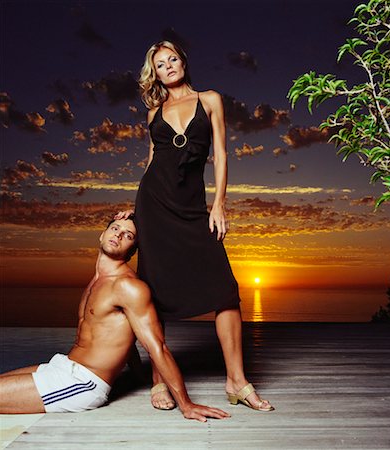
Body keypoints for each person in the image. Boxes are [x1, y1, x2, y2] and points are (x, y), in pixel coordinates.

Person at [115, 40, 274, 412]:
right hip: (153, 206)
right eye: (160, 64)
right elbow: (151, 163)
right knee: (153, 291)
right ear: (154, 74)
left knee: (225, 291)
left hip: (193, 209)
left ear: (183, 62)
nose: (168, 66)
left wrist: (219, 203)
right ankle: (159, 381)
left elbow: (220, 153)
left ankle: (237, 381)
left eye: (172, 59)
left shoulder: (210, 100)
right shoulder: (154, 111)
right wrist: (136, 213)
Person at [0, 216, 230, 422]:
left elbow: (157, 347)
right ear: (102, 234)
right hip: (63, 366)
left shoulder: (128, 287)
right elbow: (120, 337)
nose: (118, 234)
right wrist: (138, 376)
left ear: (132, 251)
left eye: (128, 235)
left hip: (82, 384)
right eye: (115, 228)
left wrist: (186, 405)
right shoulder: (97, 280)